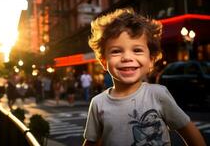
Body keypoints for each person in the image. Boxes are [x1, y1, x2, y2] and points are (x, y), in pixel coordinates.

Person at [83, 8, 206, 146]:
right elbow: (91, 143)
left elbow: (189, 131)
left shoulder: (158, 94)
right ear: (103, 61)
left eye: (137, 50)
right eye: (116, 51)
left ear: (151, 60)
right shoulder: (98, 104)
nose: (127, 57)